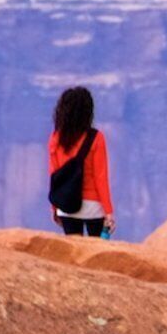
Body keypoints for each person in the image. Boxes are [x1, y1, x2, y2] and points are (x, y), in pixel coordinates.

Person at [46, 87, 113, 237]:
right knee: (97, 253)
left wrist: (54, 207)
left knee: (73, 254)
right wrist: (108, 211)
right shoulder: (96, 138)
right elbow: (100, 178)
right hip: (93, 207)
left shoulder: (56, 138)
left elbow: (54, 176)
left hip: (67, 205)